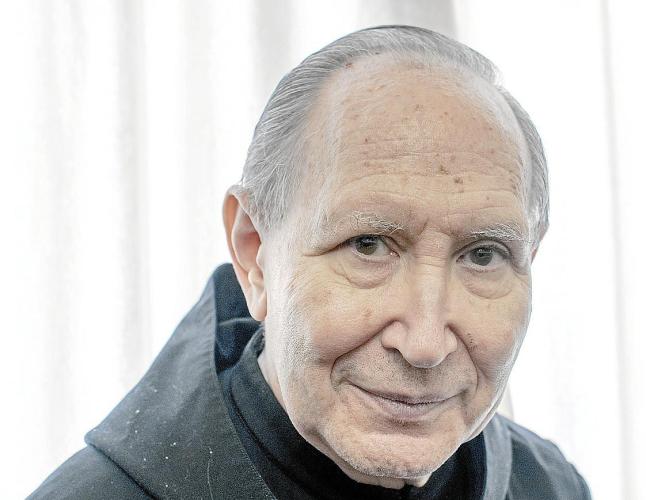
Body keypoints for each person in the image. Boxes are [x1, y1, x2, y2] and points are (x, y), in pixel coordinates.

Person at [30, 25, 592, 499]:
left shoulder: (550, 485)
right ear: (254, 254)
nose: (425, 344)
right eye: (368, 245)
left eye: (483, 255)